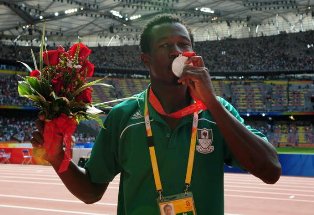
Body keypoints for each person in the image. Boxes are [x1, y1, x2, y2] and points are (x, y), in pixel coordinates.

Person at [31, 14, 281, 215]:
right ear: (146, 60)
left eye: (184, 44)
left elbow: (271, 170)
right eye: (165, 45)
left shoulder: (218, 111)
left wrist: (211, 102)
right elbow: (91, 192)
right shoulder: (123, 117)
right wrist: (56, 157)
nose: (176, 51)